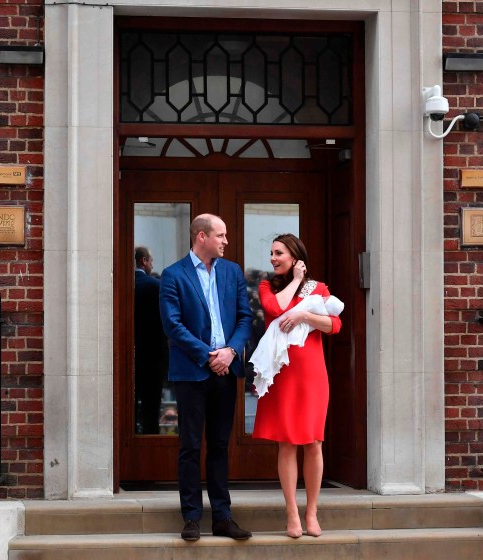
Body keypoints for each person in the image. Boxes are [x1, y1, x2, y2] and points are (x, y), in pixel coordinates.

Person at [159, 213, 253, 542]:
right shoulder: (173, 275)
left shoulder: (232, 272)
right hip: (192, 372)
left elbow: (244, 317)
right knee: (190, 446)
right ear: (202, 237)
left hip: (226, 371)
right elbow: (172, 325)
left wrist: (230, 351)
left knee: (220, 446)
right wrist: (207, 355)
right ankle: (192, 517)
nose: (226, 241)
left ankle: (222, 517)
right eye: (221, 235)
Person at [251, 234, 342, 539]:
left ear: (294, 255)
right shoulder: (268, 285)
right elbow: (275, 309)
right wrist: (297, 280)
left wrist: (305, 314)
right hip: (282, 374)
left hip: (312, 374)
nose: (273, 258)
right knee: (287, 442)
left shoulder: (318, 289)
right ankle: (292, 513)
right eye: (272, 253)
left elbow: (335, 325)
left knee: (314, 442)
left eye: (279, 253)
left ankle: (312, 512)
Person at [134, 246, 168, 434]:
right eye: (151, 261)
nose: (152, 265)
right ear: (144, 261)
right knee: (151, 405)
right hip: (153, 354)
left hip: (128, 353)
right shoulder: (155, 285)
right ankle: (150, 439)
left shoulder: (123, 284)